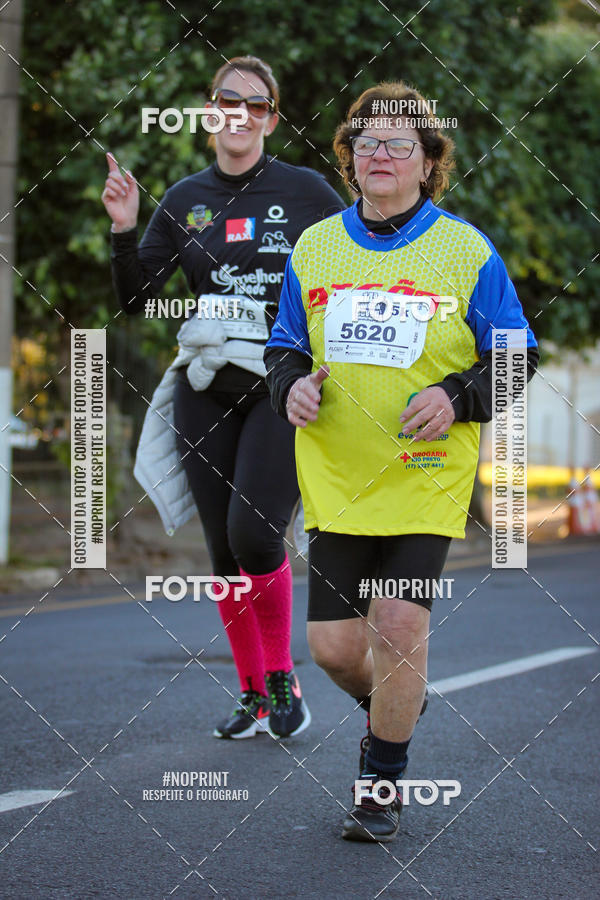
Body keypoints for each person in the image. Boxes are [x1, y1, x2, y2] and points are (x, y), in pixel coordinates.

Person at [264, 81, 539, 839]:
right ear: (350, 159)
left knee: (395, 625)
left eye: (398, 143)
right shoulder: (315, 247)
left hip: (425, 474)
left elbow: (517, 355)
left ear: (428, 160)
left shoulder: (466, 251)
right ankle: (396, 705)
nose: (379, 154)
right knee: (333, 648)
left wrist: (457, 395)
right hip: (337, 475)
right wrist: (290, 387)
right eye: (366, 142)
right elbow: (284, 346)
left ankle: (380, 785)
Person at [102, 56, 345, 740]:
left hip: (278, 383)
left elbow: (354, 261)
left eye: (256, 104)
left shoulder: (307, 192)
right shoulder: (185, 199)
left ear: (271, 118)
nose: (241, 114)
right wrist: (124, 227)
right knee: (220, 551)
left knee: (254, 534)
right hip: (205, 386)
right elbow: (139, 300)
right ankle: (253, 693)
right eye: (228, 101)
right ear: (210, 112)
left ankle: (283, 679)